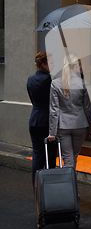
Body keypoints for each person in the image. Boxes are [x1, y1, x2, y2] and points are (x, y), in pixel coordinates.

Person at [48, 52, 91, 169]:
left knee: (67, 159)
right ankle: (71, 184)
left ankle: (69, 185)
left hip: (63, 126)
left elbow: (54, 110)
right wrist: (90, 128)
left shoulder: (55, 83)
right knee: (74, 157)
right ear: (76, 66)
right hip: (80, 124)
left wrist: (52, 131)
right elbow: (87, 107)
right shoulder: (83, 83)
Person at [27, 51, 57, 191]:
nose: (54, 65)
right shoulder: (51, 80)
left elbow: (33, 100)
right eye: (51, 63)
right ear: (43, 65)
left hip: (34, 119)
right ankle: (50, 187)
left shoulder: (30, 79)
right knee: (51, 156)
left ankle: (36, 187)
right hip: (48, 122)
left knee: (37, 154)